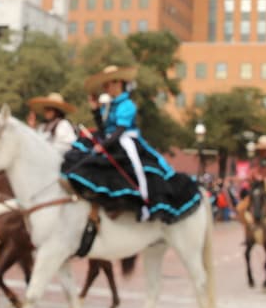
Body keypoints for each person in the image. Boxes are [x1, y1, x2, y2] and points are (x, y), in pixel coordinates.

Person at [61, 64, 200, 223]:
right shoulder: (110, 106)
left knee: (136, 171)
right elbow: (104, 128)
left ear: (118, 83)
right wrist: (95, 110)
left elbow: (120, 130)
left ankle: (144, 203)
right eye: (105, 85)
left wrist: (103, 145)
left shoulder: (127, 105)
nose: (106, 88)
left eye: (108, 84)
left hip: (126, 142)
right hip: (111, 139)